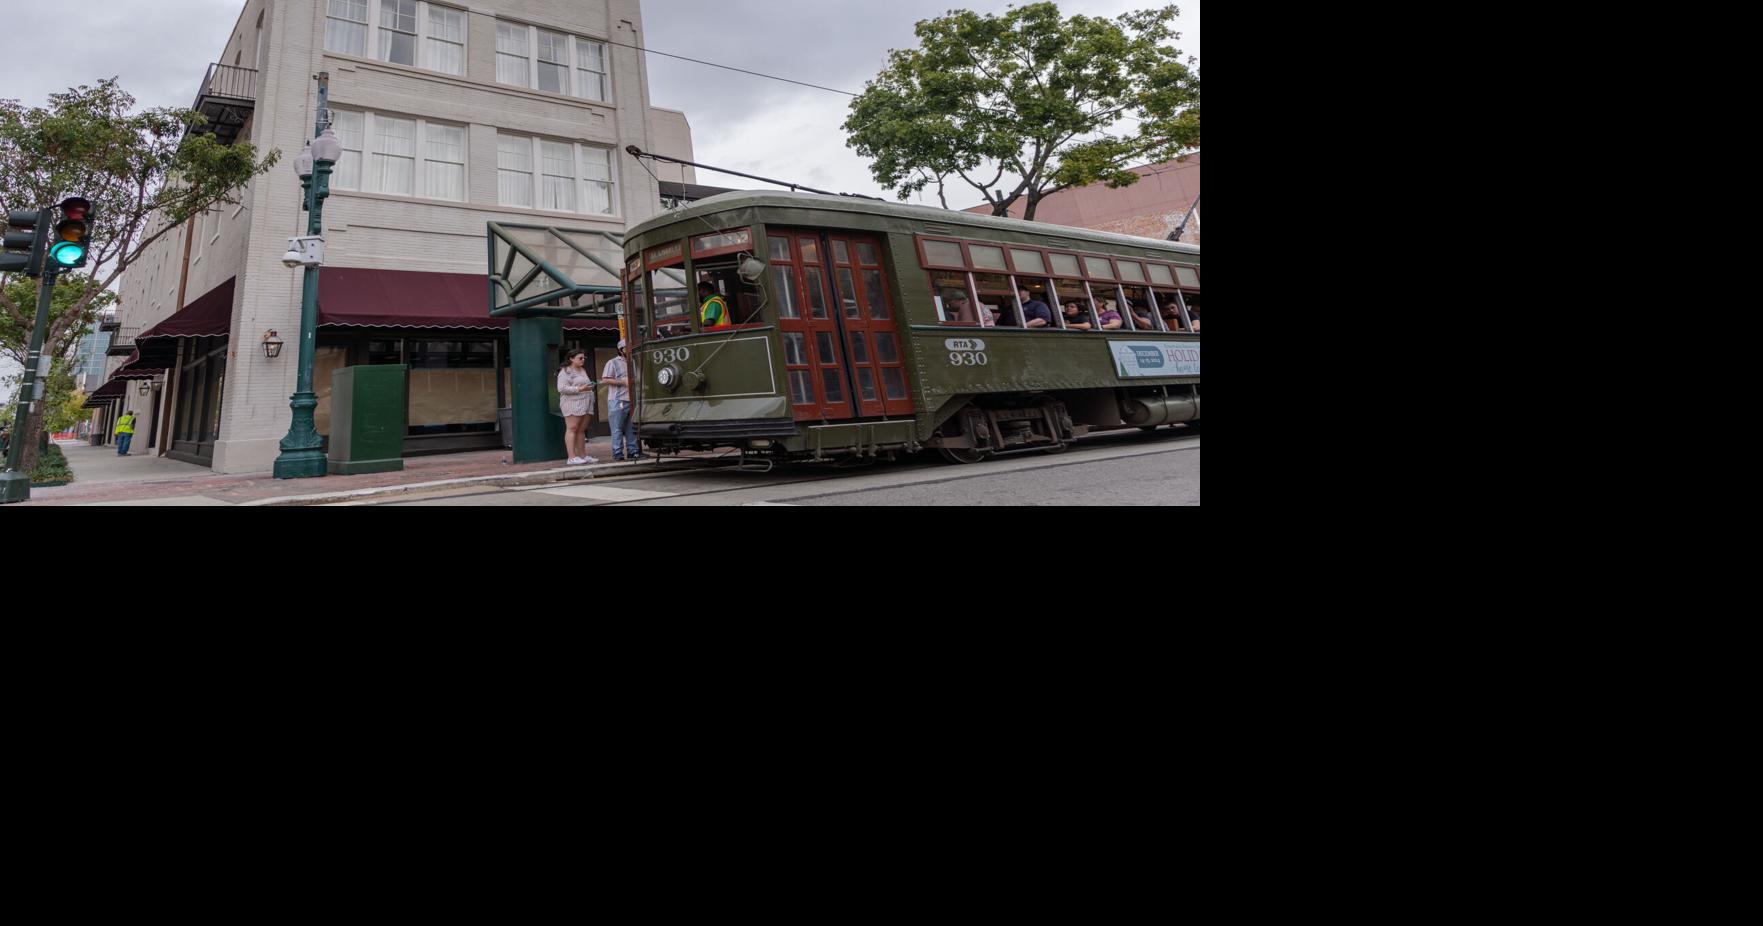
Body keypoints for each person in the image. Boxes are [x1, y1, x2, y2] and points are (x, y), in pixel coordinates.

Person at [602, 340, 645, 462]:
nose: (630, 350)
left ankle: (633, 451)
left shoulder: (634, 361)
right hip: (617, 399)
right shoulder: (612, 362)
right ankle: (617, 453)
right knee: (617, 428)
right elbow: (605, 379)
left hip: (632, 399)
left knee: (631, 427)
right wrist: (623, 382)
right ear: (621, 350)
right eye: (627, 348)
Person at [556, 349, 599, 466]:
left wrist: (590, 387)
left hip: (586, 402)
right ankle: (571, 457)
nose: (583, 360)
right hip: (572, 403)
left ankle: (582, 455)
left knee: (581, 430)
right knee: (572, 428)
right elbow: (561, 388)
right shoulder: (565, 371)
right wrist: (580, 389)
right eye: (580, 358)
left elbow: (583, 385)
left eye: (584, 358)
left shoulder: (582, 370)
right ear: (571, 359)